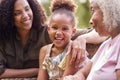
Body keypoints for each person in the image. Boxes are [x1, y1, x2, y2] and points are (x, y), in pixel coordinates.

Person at [0, 0, 105, 78]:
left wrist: (81, 39)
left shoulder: (50, 32)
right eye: (17, 13)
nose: (25, 16)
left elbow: (102, 33)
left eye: (27, 9)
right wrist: (37, 70)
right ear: (8, 17)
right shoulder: (3, 39)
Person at [63, 0, 120, 80]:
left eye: (93, 11)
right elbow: (84, 72)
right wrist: (76, 77)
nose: (90, 21)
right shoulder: (106, 44)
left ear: (109, 11)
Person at [37, 0, 89, 79]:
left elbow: (66, 77)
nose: (58, 33)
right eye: (54, 27)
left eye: (64, 29)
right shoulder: (44, 51)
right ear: (48, 29)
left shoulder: (72, 50)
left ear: (73, 32)